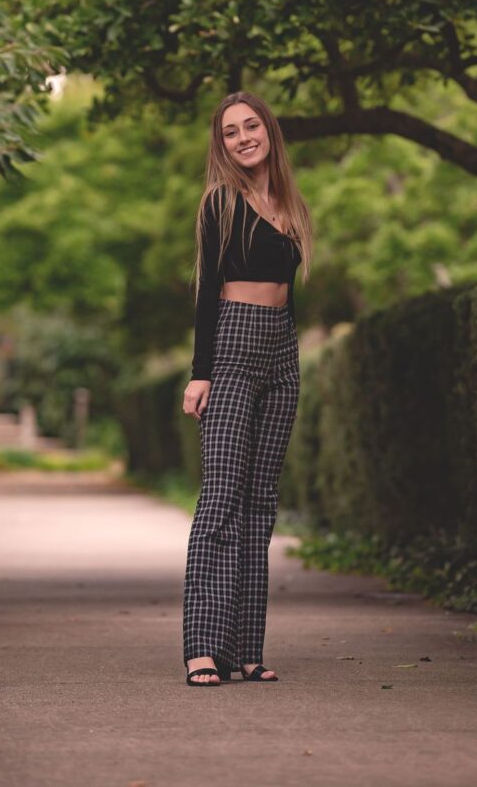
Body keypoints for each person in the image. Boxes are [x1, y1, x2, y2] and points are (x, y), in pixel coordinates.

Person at [181, 90, 313, 687]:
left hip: (281, 348)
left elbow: (292, 292)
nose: (242, 138)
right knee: (221, 500)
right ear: (223, 144)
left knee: (261, 504)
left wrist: (287, 347)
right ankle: (204, 648)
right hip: (232, 344)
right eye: (231, 132)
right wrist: (199, 371)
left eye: (250, 126)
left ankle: (246, 650)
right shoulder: (220, 203)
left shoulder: (289, 201)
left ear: (268, 131)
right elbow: (208, 290)